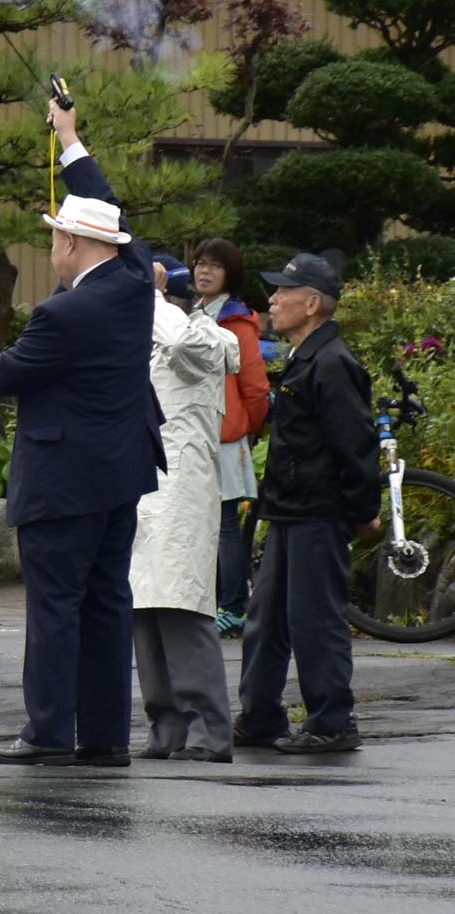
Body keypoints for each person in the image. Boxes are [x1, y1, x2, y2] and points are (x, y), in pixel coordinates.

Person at [0, 191, 164, 765]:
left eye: (54, 238)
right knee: (106, 605)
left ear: (71, 242)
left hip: (62, 479)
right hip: (120, 473)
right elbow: (123, 225)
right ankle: (104, 738)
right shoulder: (134, 287)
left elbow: (1, 377)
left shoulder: (64, 312)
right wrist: (71, 143)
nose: (51, 248)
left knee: (54, 607)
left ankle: (47, 732)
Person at [235, 252, 378, 756]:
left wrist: (363, 510)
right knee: (267, 618)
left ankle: (333, 721)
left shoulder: (333, 363)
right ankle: (259, 715)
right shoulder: (308, 355)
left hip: (317, 511)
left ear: (312, 303)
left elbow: (355, 444)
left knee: (315, 620)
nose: (272, 300)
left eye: (282, 293)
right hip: (289, 508)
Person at [132, 261, 239, 761]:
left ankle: (208, 731)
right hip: (146, 489)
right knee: (145, 609)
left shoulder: (207, 340)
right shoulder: (156, 333)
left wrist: (151, 299)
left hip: (182, 493)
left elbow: (182, 347)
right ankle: (167, 726)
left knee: (180, 605)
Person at [188, 237, 271, 635]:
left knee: (224, 526)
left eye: (214, 266)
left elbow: (255, 388)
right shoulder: (196, 313)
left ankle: (234, 606)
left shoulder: (237, 321)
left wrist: (243, 427)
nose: (204, 271)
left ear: (230, 274)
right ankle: (218, 602)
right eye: (200, 264)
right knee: (208, 524)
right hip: (198, 435)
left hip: (224, 436)